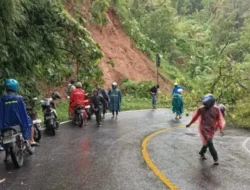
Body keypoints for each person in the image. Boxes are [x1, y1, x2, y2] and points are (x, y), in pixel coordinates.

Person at [186, 94, 226, 165]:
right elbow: (195, 117)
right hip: (203, 128)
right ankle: (215, 159)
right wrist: (190, 123)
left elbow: (219, 119)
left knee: (207, 142)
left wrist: (221, 129)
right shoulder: (201, 109)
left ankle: (201, 152)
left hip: (211, 128)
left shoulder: (216, 109)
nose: (206, 106)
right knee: (210, 143)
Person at [0, 79, 33, 161]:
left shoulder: (2, 99)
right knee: (30, 123)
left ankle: (7, 153)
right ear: (15, 87)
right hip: (18, 122)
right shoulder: (19, 98)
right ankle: (28, 142)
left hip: (5, 124)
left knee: (4, 136)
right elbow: (23, 112)